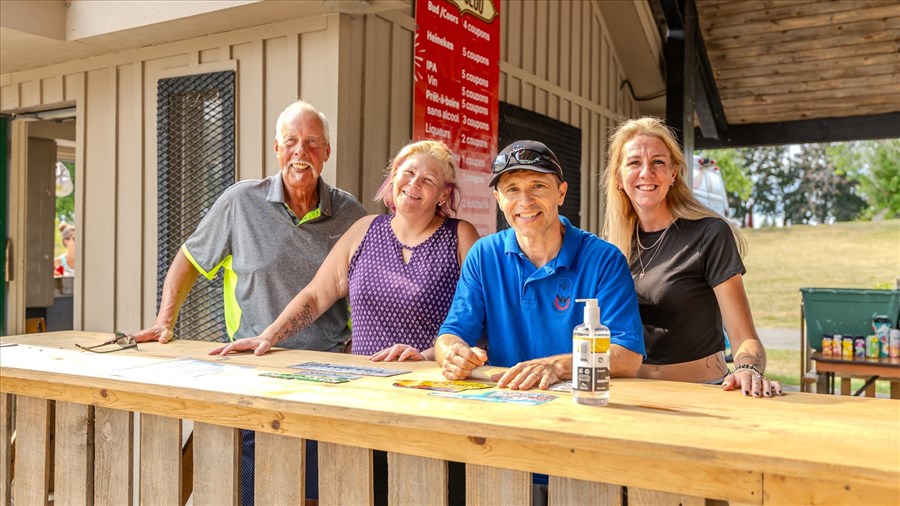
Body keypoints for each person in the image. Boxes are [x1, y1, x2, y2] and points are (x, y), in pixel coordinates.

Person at [211, 139, 479, 506]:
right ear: (393, 177)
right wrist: (268, 336)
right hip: (362, 398)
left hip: (429, 400)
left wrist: (428, 355)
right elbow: (316, 295)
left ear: (444, 194)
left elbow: (478, 320)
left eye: (428, 180)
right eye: (407, 173)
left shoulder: (460, 236)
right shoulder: (364, 230)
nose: (414, 184)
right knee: (357, 490)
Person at [133, 99, 367, 505]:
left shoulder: (351, 214)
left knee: (315, 494)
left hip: (324, 380)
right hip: (253, 372)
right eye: (291, 141)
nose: (301, 151)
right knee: (251, 493)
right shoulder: (240, 202)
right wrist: (164, 321)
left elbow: (368, 286)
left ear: (327, 152)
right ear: (277, 148)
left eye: (312, 142)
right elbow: (189, 259)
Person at [434, 140, 645, 390]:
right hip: (504, 398)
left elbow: (628, 355)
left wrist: (557, 366)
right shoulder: (483, 255)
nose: (525, 201)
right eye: (512, 189)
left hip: (581, 400)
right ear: (498, 199)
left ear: (561, 193)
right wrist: (452, 354)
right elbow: (452, 333)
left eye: (538, 186)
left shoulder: (604, 259)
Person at [601, 116, 783, 398]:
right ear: (618, 178)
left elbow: (744, 338)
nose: (646, 172)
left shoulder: (709, 234)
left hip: (703, 393)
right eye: (634, 162)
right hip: (633, 396)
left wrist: (748, 369)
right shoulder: (612, 249)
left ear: (673, 174)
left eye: (658, 162)